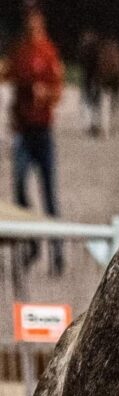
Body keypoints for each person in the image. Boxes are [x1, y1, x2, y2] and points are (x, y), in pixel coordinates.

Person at [2, 6, 64, 274]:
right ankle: (31, 240)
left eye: (35, 22)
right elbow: (7, 75)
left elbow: (58, 91)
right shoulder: (21, 51)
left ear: (42, 23)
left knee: (49, 195)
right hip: (23, 134)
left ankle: (57, 252)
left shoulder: (48, 52)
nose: (32, 26)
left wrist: (46, 94)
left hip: (42, 133)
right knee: (19, 190)